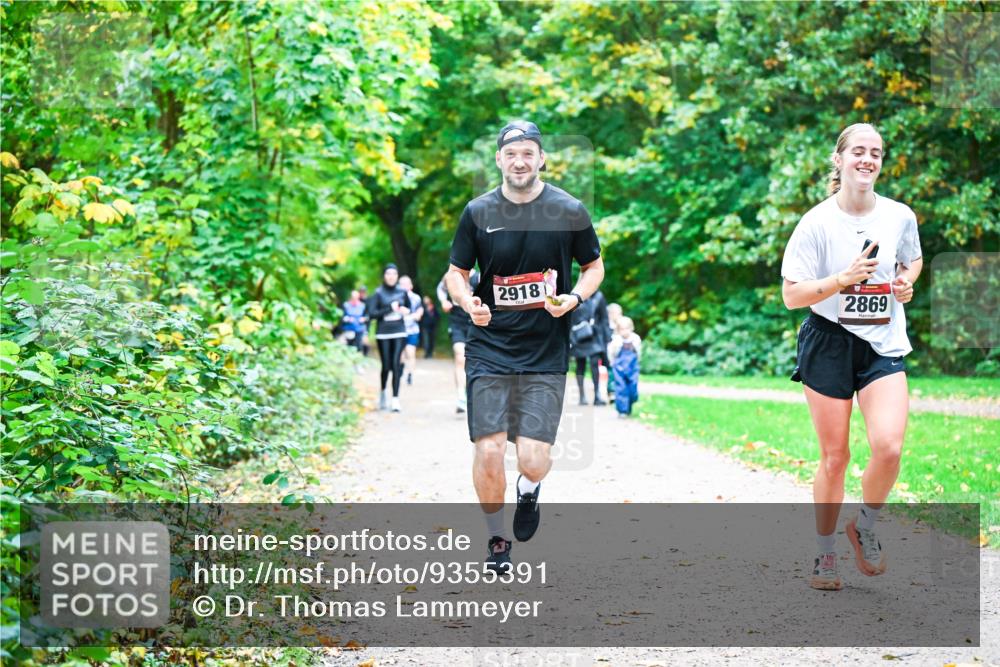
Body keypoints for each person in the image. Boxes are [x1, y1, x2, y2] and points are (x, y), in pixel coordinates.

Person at [445, 119, 604, 573]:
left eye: (528, 153)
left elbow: (594, 267)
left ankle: (529, 489)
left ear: (541, 159)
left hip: (545, 349)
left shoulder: (569, 209)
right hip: (490, 344)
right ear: (499, 159)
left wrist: (574, 297)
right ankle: (497, 540)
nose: (520, 161)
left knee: (533, 460)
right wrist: (467, 301)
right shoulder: (478, 212)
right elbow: (457, 272)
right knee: (489, 448)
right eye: (511, 153)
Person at [780, 122, 922, 591]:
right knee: (835, 457)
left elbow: (911, 259)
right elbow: (792, 296)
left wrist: (906, 279)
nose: (867, 159)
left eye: (876, 152)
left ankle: (864, 525)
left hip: (882, 340)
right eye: (858, 151)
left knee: (889, 446)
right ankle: (823, 556)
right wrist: (841, 279)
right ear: (838, 160)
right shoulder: (816, 222)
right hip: (828, 339)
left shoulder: (900, 215)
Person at [367, 264, 410, 412]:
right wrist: (389, 309)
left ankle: (395, 399)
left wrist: (404, 310)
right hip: (383, 333)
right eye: (388, 274)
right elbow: (372, 314)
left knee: (396, 363)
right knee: (386, 365)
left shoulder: (402, 292)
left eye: (394, 274)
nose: (391, 276)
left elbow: (409, 308)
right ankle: (383, 391)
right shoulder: (378, 293)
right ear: (384, 276)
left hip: (399, 331)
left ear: (397, 276)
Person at [437, 269, 480, 413]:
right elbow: (441, 288)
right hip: (456, 320)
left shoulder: (478, 276)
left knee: (474, 359)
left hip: (475, 320)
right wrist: (443, 301)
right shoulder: (450, 274)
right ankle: (461, 396)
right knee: (459, 356)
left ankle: (472, 392)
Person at [569, 290, 607, 406]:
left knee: (595, 364)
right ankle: (582, 397)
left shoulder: (599, 296)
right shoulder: (574, 294)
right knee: (580, 365)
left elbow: (604, 318)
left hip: (594, 335)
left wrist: (606, 338)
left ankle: (597, 396)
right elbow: (568, 317)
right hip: (578, 336)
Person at [608, 316, 641, 417]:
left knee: (632, 388)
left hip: (632, 367)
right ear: (618, 330)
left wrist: (638, 362)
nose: (624, 331)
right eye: (622, 329)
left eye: (627, 328)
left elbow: (638, 353)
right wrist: (612, 362)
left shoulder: (635, 339)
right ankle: (622, 410)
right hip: (619, 368)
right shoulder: (616, 341)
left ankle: (630, 404)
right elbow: (611, 353)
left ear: (631, 328)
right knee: (621, 388)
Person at [398, 275, 424, 386]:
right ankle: (400, 371)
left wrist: (417, 315)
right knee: (400, 355)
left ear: (411, 286)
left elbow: (420, 310)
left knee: (410, 352)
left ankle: (410, 375)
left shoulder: (416, 298)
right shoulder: (396, 297)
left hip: (412, 329)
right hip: (399, 330)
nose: (404, 286)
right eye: (401, 284)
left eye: (406, 284)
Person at [340, 289, 369, 354]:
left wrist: (363, 319)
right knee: (348, 346)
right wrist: (347, 319)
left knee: (359, 346)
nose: (355, 299)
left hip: (360, 329)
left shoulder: (363, 306)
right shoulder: (346, 305)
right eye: (353, 297)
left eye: (356, 298)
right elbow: (341, 317)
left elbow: (367, 316)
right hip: (349, 329)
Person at [605, 302, 623, 400]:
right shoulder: (608, 326)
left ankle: (619, 391)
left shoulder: (622, 324)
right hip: (611, 354)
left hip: (621, 353)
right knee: (611, 373)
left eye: (620, 313)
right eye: (617, 313)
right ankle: (611, 392)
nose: (619, 316)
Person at [357, 285, 371, 357]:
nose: (362, 293)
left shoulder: (368, 301)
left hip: (365, 323)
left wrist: (365, 318)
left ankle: (365, 354)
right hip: (356, 323)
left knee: (365, 340)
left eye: (363, 292)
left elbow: (370, 313)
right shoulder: (356, 300)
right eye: (361, 292)